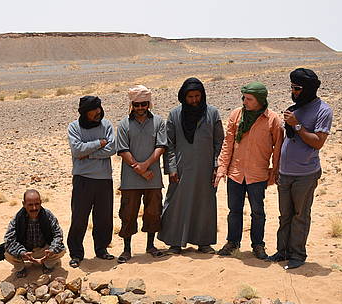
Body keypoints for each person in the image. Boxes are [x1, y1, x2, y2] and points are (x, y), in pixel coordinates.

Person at [268, 68, 333, 269]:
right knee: (285, 215)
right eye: (292, 88)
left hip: (305, 173)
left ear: (308, 89)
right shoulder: (294, 108)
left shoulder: (323, 110)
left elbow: (318, 142)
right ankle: (283, 251)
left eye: (297, 88)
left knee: (300, 215)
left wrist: (297, 125)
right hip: (285, 172)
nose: (293, 92)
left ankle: (298, 254)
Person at [215, 82, 284, 259]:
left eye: (249, 99)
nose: (244, 101)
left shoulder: (272, 119)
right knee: (234, 210)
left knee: (258, 211)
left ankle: (258, 245)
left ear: (260, 100)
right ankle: (232, 243)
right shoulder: (236, 115)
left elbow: (278, 148)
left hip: (258, 174)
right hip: (236, 173)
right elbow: (228, 143)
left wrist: (274, 171)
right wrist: (222, 167)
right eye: (244, 97)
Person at [159, 78, 224, 254]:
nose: (194, 100)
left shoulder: (212, 113)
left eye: (197, 96)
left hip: (205, 170)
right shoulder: (174, 115)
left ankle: (203, 242)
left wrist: (216, 166)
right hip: (181, 169)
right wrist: (171, 168)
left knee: (205, 204)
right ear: (183, 97)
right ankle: (174, 243)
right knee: (176, 204)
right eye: (190, 97)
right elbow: (169, 144)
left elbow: (219, 142)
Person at [116, 85, 168, 263]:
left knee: (153, 212)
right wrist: (138, 168)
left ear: (149, 103)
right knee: (128, 213)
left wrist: (145, 166)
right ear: (132, 105)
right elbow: (123, 150)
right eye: (136, 105)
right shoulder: (124, 124)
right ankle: (127, 249)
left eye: (143, 104)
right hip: (130, 179)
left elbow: (161, 146)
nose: (140, 108)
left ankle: (150, 246)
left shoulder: (159, 122)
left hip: (152, 178)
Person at [66, 95, 116, 267]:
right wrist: (99, 143)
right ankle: (76, 253)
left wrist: (90, 154)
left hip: (104, 178)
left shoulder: (107, 125)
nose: (98, 112)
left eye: (99, 108)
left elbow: (112, 148)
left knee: (104, 217)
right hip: (82, 179)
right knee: (79, 217)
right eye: (93, 110)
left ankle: (101, 249)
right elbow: (77, 150)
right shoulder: (74, 127)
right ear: (84, 112)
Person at [2, 189, 66, 278]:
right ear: (24, 204)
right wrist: (22, 252)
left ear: (40, 202)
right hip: (25, 251)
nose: (34, 208)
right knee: (6, 252)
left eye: (37, 204)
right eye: (30, 205)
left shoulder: (47, 215)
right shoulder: (18, 218)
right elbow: (9, 239)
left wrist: (52, 249)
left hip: (44, 250)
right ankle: (20, 268)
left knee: (61, 250)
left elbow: (58, 234)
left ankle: (47, 265)